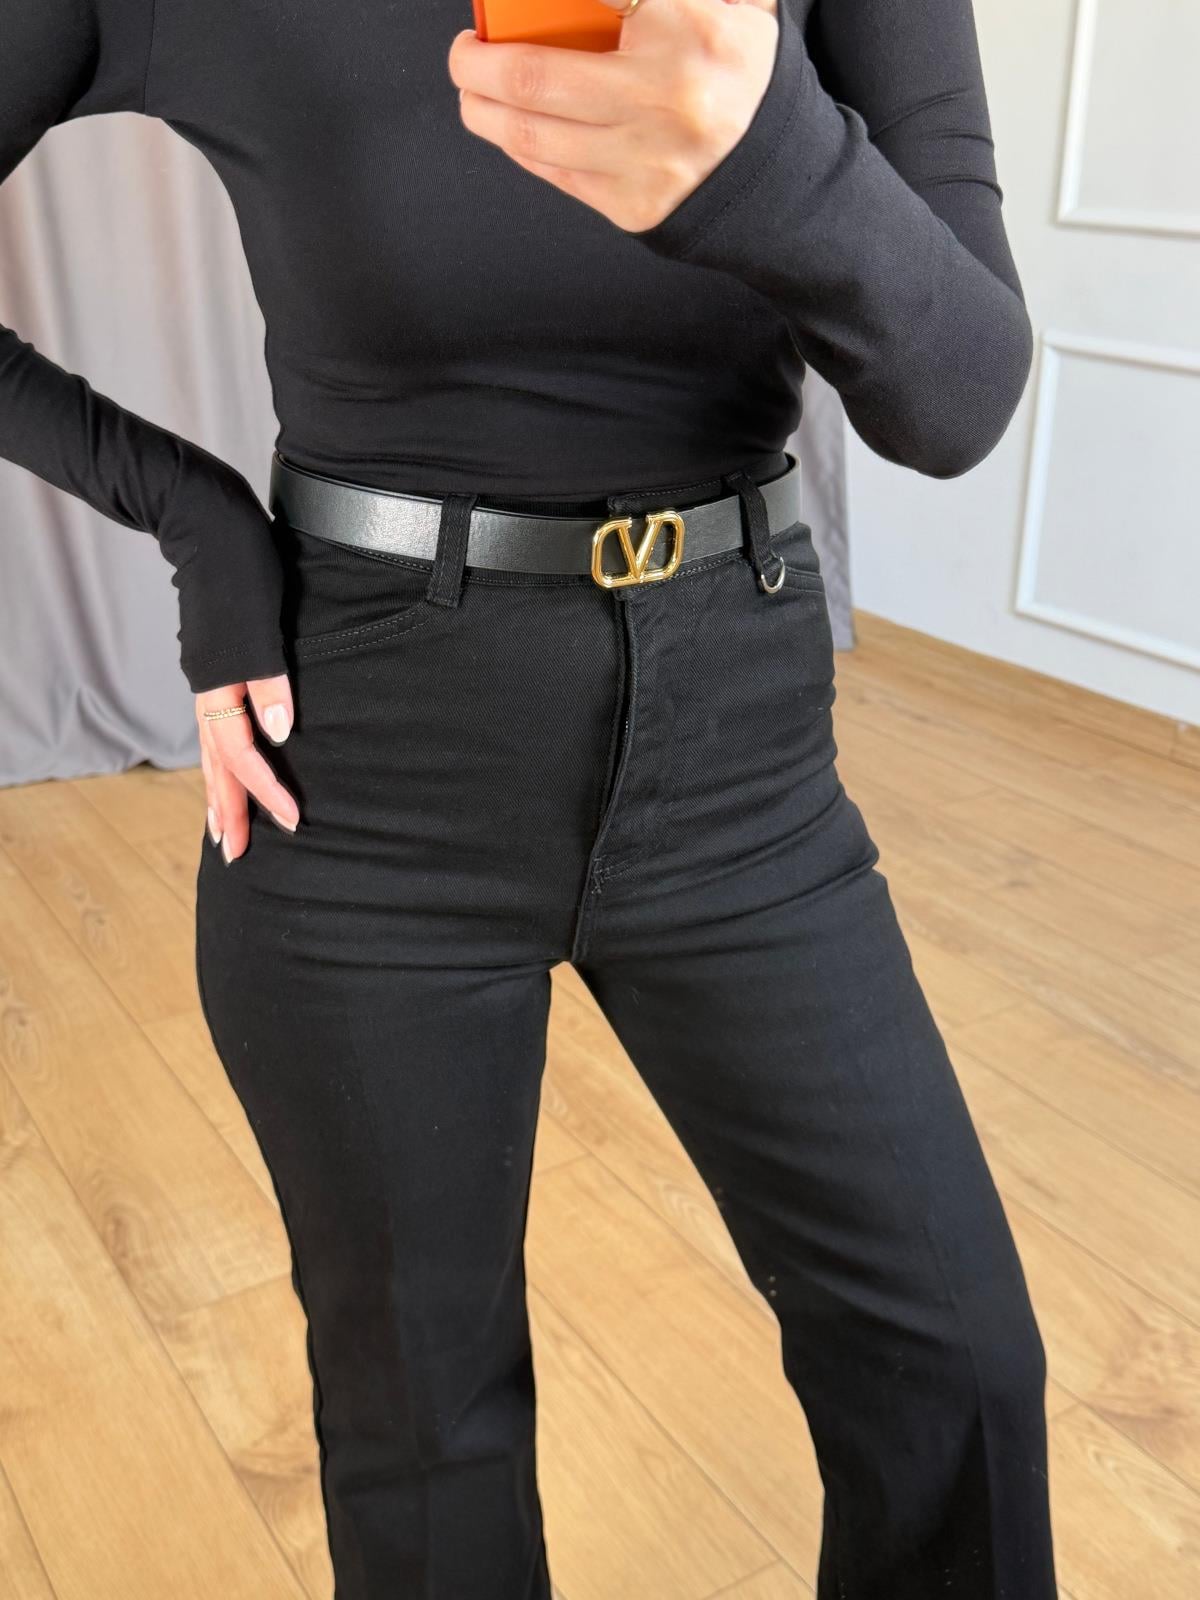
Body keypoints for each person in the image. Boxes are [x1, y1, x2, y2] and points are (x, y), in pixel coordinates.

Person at [0, 0, 1057, 1594]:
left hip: (741, 746)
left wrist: (766, 152)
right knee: (424, 1441)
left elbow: (958, 397)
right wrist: (195, 520)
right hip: (369, 758)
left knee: (956, 1373)